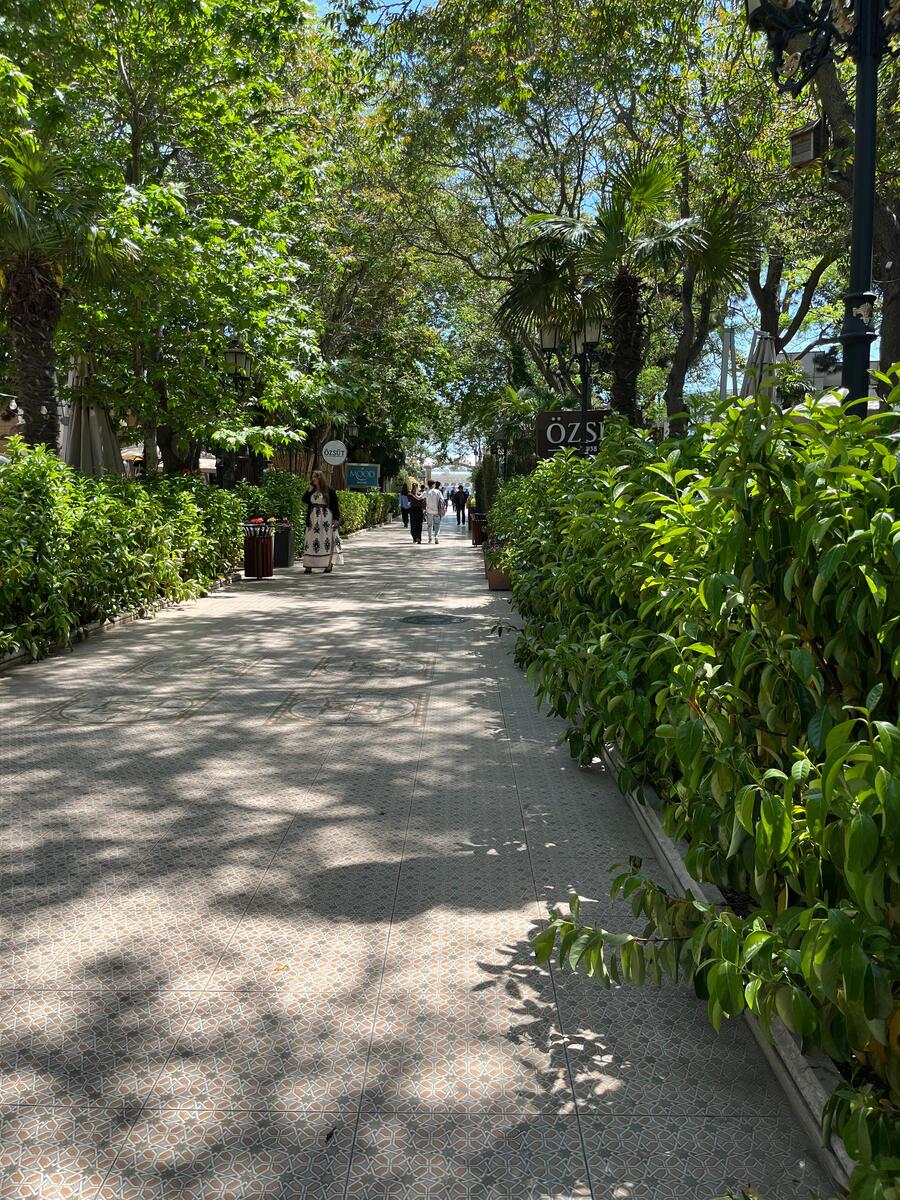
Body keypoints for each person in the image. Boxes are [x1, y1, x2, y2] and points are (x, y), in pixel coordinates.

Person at [302, 469, 343, 573]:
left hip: (325, 519)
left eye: (315, 477)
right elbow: (304, 500)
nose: (313, 479)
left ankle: (328, 565)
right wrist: (309, 490)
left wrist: (336, 519)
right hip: (313, 519)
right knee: (311, 539)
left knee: (326, 539)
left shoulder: (329, 490)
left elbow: (335, 506)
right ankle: (309, 565)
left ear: (320, 478)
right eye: (312, 477)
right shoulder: (312, 490)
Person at [424, 480, 443, 544]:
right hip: (437, 511)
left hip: (429, 511)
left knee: (429, 525)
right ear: (433, 485)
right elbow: (442, 500)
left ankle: (430, 538)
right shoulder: (438, 492)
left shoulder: (426, 492)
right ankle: (436, 537)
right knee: (437, 525)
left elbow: (420, 498)